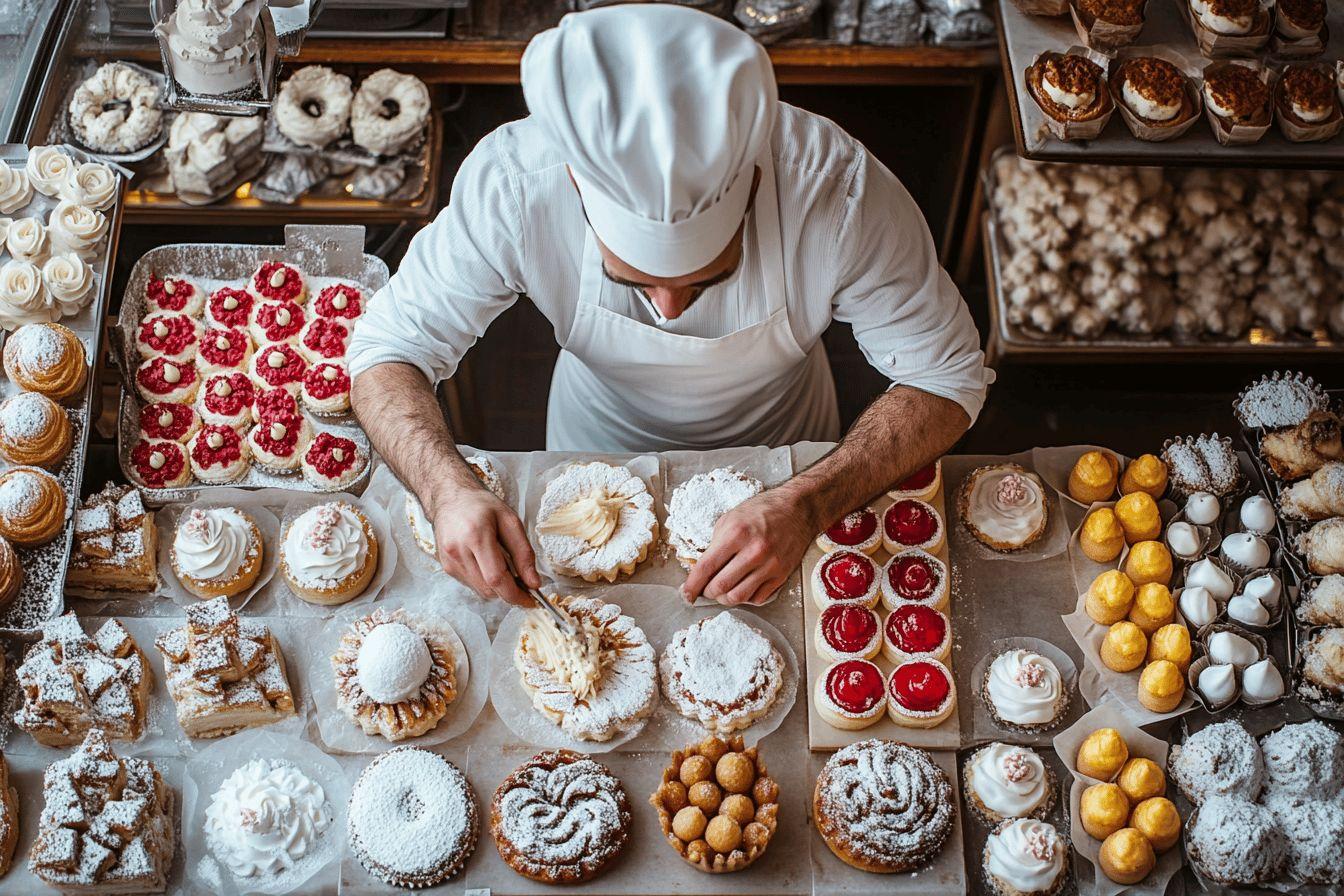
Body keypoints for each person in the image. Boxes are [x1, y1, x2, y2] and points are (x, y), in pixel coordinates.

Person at [347, 4, 992, 608]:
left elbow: (948, 376)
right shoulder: (515, 185)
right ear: (576, 185)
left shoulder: (835, 191)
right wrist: (445, 489)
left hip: (787, 439)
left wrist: (810, 502)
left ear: (754, 184)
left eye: (708, 280)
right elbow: (387, 349)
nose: (671, 309)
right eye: (633, 281)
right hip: (594, 437)